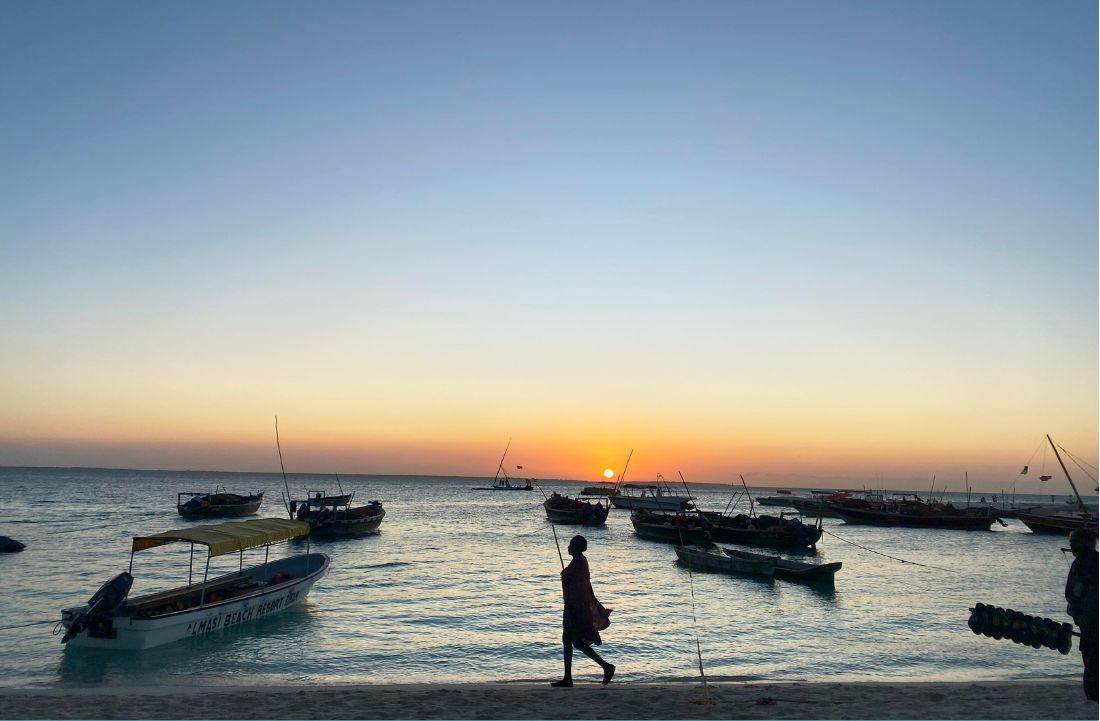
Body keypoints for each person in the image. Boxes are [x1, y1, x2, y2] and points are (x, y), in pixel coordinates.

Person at [552, 535, 615, 687]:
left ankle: (571, 677)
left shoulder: (578, 564)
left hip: (575, 609)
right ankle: (603, 667)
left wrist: (565, 575)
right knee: (574, 642)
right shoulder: (579, 562)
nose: (568, 547)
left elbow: (576, 585)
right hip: (573, 607)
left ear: (577, 548)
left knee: (571, 641)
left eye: (571, 545)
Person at [1065, 529, 1098, 701]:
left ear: (1085, 543)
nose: (1071, 546)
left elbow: (1074, 594)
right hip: (1087, 624)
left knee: (1092, 663)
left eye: (1074, 542)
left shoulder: (1083, 565)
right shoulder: (1081, 563)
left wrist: (1078, 614)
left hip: (1091, 624)